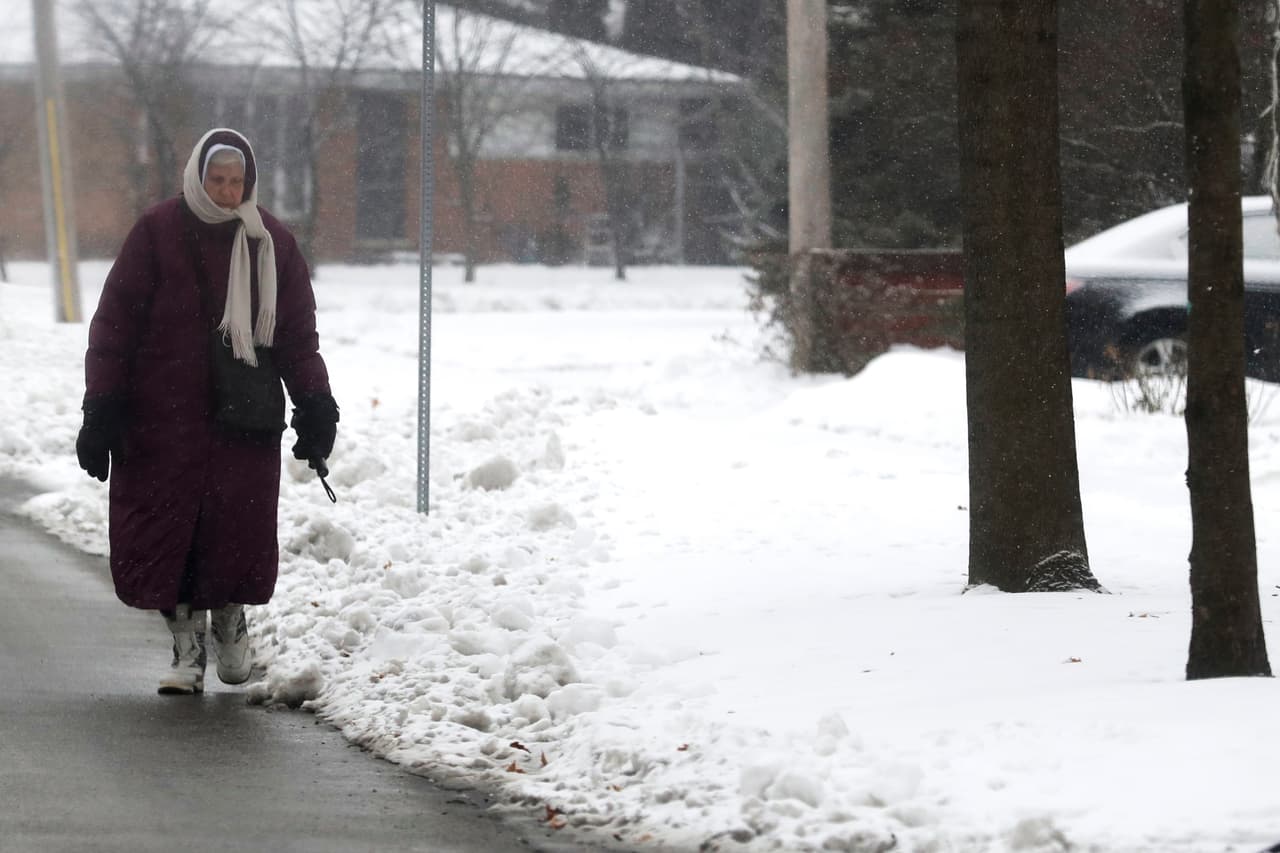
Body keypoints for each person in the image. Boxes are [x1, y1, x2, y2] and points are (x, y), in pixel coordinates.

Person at [76, 127, 339, 695]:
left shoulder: (271, 242)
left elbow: (296, 335)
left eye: (235, 181)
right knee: (167, 529)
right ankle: (185, 646)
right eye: (216, 180)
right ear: (197, 176)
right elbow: (114, 326)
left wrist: (316, 403)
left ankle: (230, 620)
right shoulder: (156, 232)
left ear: (249, 181)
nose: (225, 192)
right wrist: (102, 406)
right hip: (159, 415)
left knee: (233, 527)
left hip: (242, 417)